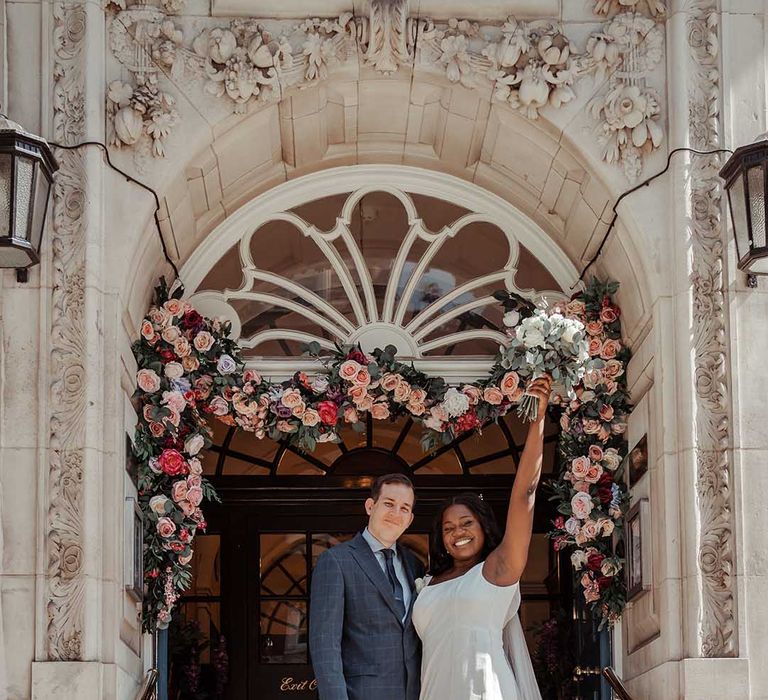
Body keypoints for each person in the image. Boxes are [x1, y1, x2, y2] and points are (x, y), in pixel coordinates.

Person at [412, 376, 552, 700]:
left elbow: (525, 495)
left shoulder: (497, 570)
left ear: (483, 527)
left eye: (465, 523)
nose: (457, 533)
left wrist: (538, 421)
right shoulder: (428, 582)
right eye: (448, 529)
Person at [309, 473, 425, 700]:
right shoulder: (335, 561)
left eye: (404, 508)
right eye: (389, 504)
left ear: (410, 518)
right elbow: (325, 646)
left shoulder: (415, 566)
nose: (395, 514)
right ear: (370, 506)